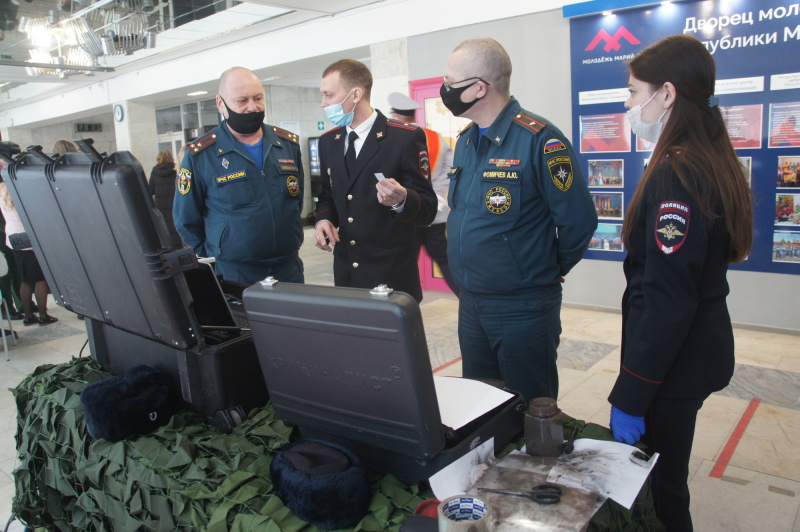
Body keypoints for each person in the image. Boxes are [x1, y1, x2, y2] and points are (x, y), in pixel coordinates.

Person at [607, 35, 753, 531]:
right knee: (668, 475)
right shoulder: (702, 154)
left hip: (676, 363)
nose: (628, 105)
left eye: (632, 92)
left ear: (665, 94)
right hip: (694, 352)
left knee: (665, 488)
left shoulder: (677, 173)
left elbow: (669, 299)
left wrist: (632, 393)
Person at [442, 37, 597, 403]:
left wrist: (545, 268)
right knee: (479, 405)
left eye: (450, 82)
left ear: (479, 87)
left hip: (522, 307)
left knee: (531, 408)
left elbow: (579, 220)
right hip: (472, 300)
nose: (444, 89)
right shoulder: (466, 141)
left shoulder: (539, 139)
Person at [313, 60, 437, 302]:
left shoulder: (403, 138)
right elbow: (328, 195)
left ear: (355, 94)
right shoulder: (329, 141)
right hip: (347, 273)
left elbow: (428, 208)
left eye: (329, 95)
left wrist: (402, 200)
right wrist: (323, 219)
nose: (323, 103)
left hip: (390, 275)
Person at [173, 66, 305, 284]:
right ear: (220, 104)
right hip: (235, 273)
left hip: (288, 269)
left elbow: (295, 202)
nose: (252, 107)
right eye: (242, 101)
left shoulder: (287, 145)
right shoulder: (201, 155)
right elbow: (185, 219)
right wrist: (216, 255)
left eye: (258, 98)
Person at [387, 91, 459, 296]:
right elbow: (451, 170)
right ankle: (466, 296)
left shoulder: (397, 138)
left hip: (409, 212)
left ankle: (401, 302)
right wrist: (438, 194)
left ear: (398, 117)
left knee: (403, 260)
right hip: (435, 212)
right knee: (443, 259)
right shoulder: (435, 138)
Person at [0, 142, 58, 326]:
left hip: (13, 238)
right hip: (31, 239)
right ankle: (42, 315)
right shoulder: (23, 189)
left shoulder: (2, 189)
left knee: (25, 279)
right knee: (40, 279)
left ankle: (27, 316)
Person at [149, 150, 182, 248]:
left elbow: (150, 190)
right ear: (171, 158)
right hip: (174, 204)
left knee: (165, 228)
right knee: (175, 228)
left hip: (160, 206)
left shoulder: (154, 172)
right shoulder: (175, 172)